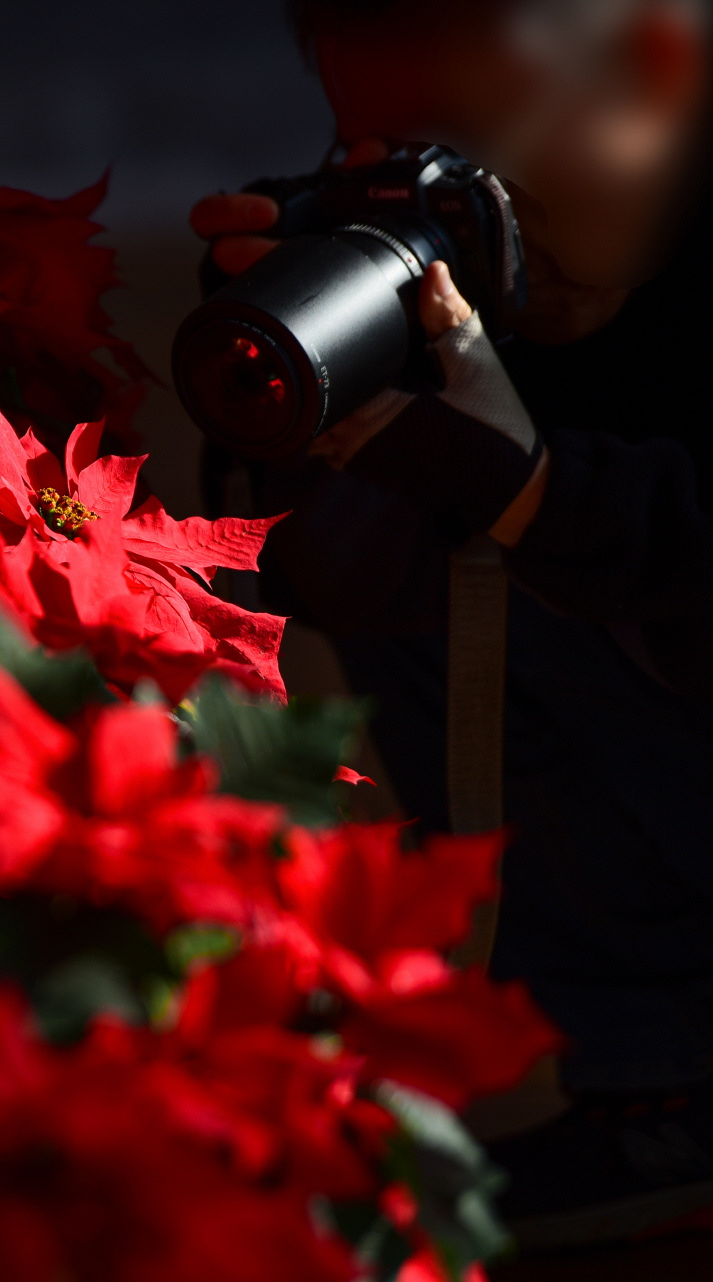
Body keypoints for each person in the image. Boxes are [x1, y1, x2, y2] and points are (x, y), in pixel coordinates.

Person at [191, 0, 713, 1248]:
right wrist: (299, 403)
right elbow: (342, 588)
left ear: (660, 63)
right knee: (438, 537)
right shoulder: (462, 264)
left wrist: (542, 495)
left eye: (460, 148)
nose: (436, 202)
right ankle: (660, 1085)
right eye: (379, 155)